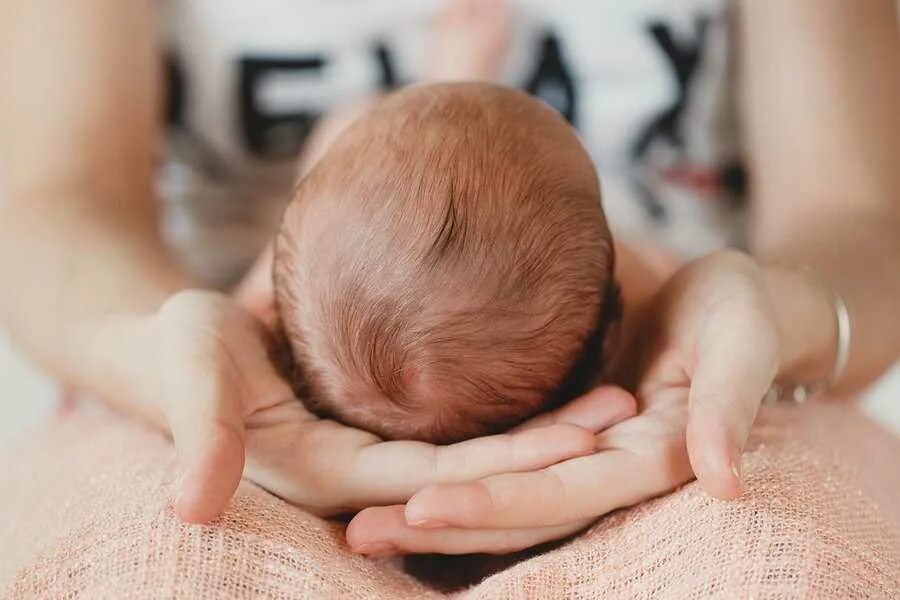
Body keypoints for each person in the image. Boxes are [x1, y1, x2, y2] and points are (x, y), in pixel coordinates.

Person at [0, 0, 898, 562]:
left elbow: (862, 215)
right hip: (628, 366)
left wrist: (779, 310)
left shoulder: (307, 267)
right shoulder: (636, 283)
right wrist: (150, 355)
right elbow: (51, 200)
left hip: (675, 358)